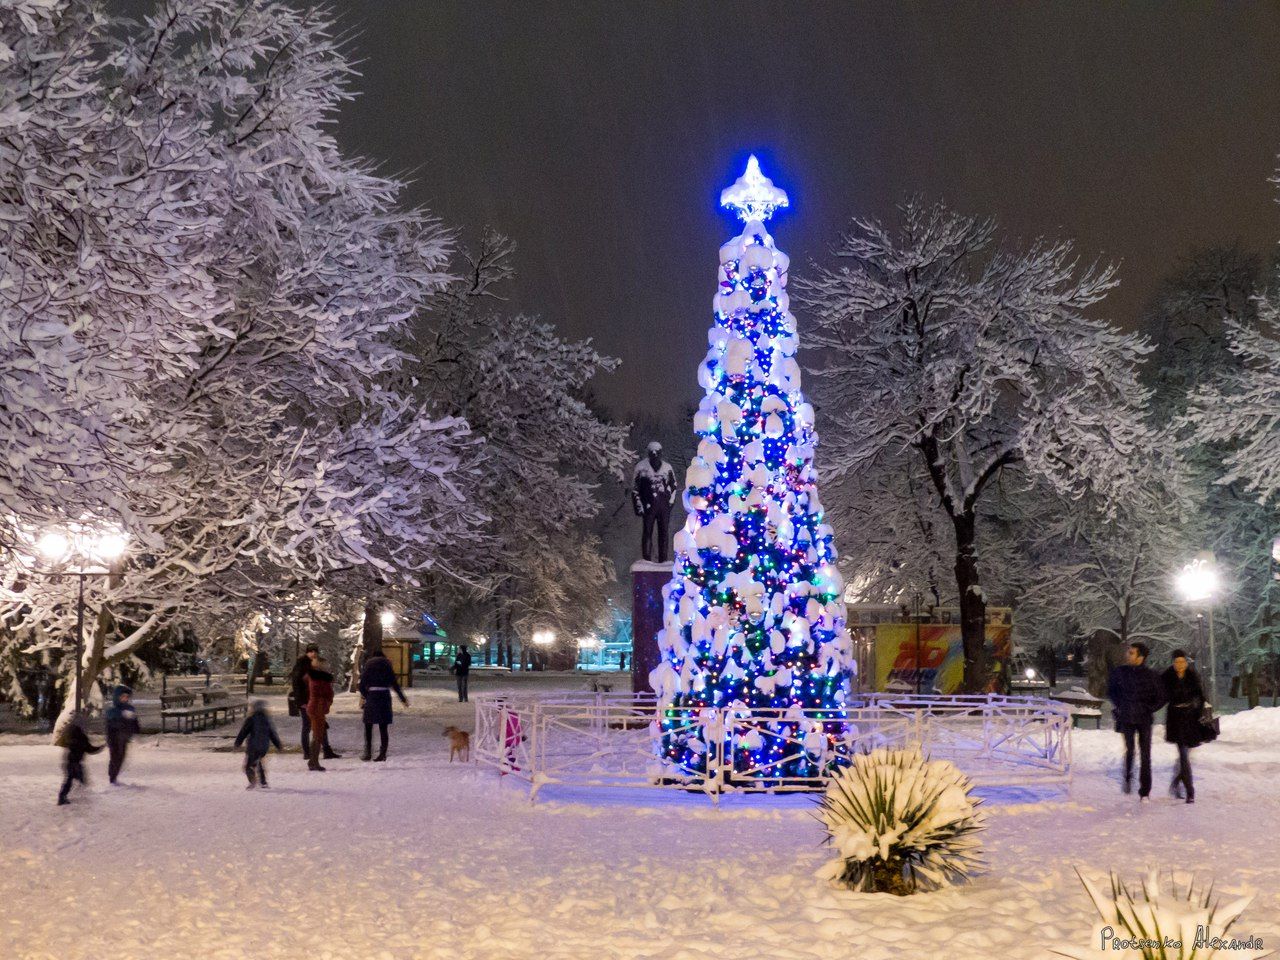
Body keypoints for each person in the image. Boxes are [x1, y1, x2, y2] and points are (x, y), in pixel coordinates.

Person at [1107, 642, 1168, 800]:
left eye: (1132, 653)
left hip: (1144, 719)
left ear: (1141, 657)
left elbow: (1162, 695)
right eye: (1129, 652)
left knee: (1145, 754)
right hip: (1126, 717)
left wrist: (1149, 707)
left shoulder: (1151, 675)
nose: (1128, 655)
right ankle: (1127, 776)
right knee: (1130, 750)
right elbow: (1111, 690)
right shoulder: (1121, 672)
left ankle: (1145, 790)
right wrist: (1120, 705)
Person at [1162, 649, 1207, 804]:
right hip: (1175, 719)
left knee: (1185, 755)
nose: (1180, 665)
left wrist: (1198, 709)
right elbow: (1160, 695)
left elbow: (1200, 696)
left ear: (1186, 662)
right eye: (1177, 662)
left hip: (1191, 719)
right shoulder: (1167, 677)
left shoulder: (1192, 676)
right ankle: (1190, 791)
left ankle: (1177, 781)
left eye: (1182, 662)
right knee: (1183, 754)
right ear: (1173, 663)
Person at [290, 644, 339, 764]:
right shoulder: (303, 665)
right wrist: (301, 701)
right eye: (311, 651)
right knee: (308, 726)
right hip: (307, 701)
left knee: (320, 726)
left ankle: (324, 750)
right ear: (307, 652)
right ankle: (309, 752)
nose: (313, 653)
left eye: (315, 651)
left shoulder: (314, 666)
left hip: (313, 701)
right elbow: (297, 684)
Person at [359, 648, 407, 761]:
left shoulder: (368, 666)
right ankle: (382, 753)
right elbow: (395, 684)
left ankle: (368, 752)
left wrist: (367, 694)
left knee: (368, 725)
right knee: (383, 727)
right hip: (384, 696)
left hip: (372, 696)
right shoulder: (387, 666)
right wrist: (403, 699)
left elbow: (361, 686)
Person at [234, 700, 283, 789]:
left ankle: (252, 781)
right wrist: (278, 744)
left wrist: (238, 743)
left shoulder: (251, 719)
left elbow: (243, 732)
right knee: (259, 761)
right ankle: (263, 782)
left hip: (253, 746)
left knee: (248, 766)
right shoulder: (267, 720)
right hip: (264, 747)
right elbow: (272, 734)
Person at [57, 714, 103, 805]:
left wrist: (99, 748)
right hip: (73, 761)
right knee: (72, 779)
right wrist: (99, 748)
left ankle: (74, 795)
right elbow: (88, 748)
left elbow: (86, 747)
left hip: (71, 760)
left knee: (78, 778)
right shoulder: (78, 733)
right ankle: (63, 797)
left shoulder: (71, 730)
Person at [104, 684, 141, 785]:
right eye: (122, 697)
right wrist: (122, 717)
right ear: (117, 697)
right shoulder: (112, 712)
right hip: (114, 739)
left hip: (124, 739)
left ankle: (114, 776)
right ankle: (112, 777)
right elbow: (111, 726)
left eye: (126, 697)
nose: (125, 699)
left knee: (121, 757)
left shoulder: (129, 709)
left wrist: (133, 723)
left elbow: (135, 725)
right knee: (115, 757)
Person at [305, 658, 335, 772]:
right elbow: (325, 692)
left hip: (316, 706)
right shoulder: (319, 678)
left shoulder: (314, 677)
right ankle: (314, 762)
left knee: (317, 734)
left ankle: (313, 761)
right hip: (318, 707)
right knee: (318, 735)